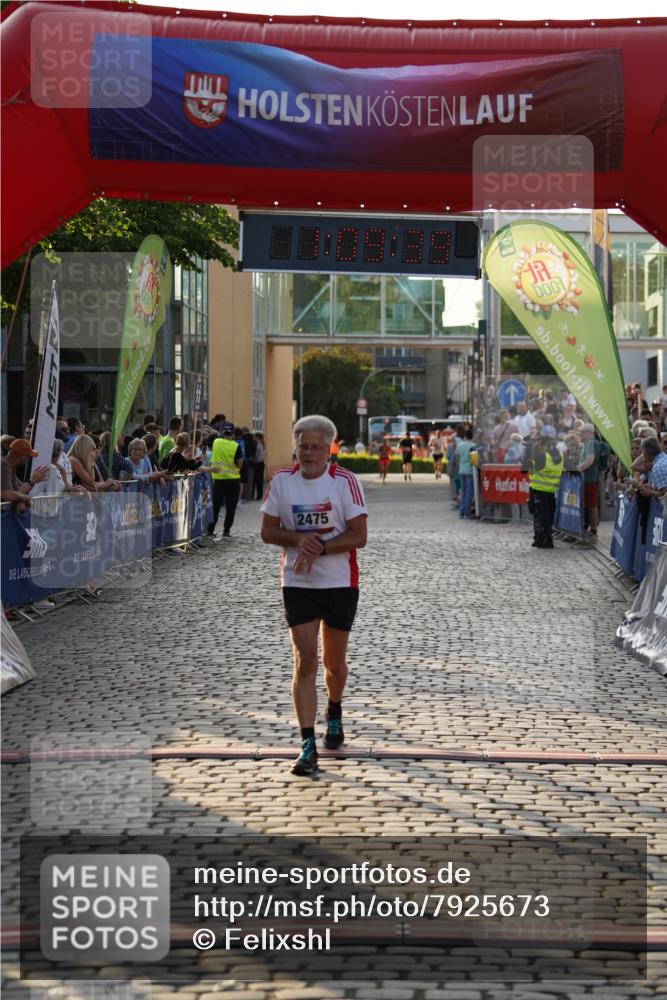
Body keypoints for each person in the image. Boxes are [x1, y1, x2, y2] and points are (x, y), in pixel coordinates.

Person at [260, 414, 367, 776]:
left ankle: (334, 708)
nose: (308, 453)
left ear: (329, 449)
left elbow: (359, 536)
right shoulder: (282, 481)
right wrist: (298, 540)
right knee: (304, 661)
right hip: (298, 582)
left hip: (338, 582)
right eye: (303, 446)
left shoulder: (345, 482)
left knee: (333, 665)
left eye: (316, 447)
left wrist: (320, 547)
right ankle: (307, 744)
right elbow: (268, 531)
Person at [527, 425, 563, 548]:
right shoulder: (559, 456)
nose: (536, 444)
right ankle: (546, 538)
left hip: (538, 489)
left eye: (538, 442)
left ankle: (541, 539)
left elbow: (527, 468)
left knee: (540, 516)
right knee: (548, 516)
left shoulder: (540, 457)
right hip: (551, 490)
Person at [208, 423, 243, 537]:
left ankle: (210, 529)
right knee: (231, 507)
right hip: (233, 481)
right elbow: (240, 464)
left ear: (223, 434)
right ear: (233, 434)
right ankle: (226, 530)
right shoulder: (236, 446)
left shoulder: (216, 442)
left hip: (219, 480)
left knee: (215, 506)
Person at [1, 438, 50, 511]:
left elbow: (17, 492)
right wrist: (26, 498)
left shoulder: (11, 467)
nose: (29, 459)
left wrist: (33, 481)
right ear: (23, 457)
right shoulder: (4, 465)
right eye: (28, 456)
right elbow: (7, 495)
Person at [577, 423, 600, 543]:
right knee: (589, 505)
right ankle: (590, 530)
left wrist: (577, 469)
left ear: (590, 433)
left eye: (583, 432)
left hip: (590, 479)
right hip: (587, 479)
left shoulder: (591, 443)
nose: (581, 434)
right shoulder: (587, 444)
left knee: (592, 506)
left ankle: (594, 531)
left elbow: (590, 460)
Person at [456, 427, 477, 518]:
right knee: (469, 492)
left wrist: (460, 466)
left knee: (463, 492)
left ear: (465, 436)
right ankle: (466, 512)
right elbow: (474, 461)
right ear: (472, 436)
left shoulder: (460, 445)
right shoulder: (473, 446)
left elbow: (457, 458)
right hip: (470, 471)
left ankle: (462, 510)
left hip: (461, 470)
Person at [253, 433, 266, 500]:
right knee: (260, 480)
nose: (254, 438)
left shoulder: (258, 445)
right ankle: (260, 495)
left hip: (258, 463)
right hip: (262, 463)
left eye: (255, 437)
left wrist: (253, 460)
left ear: (258, 438)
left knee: (258, 480)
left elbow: (256, 455)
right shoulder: (263, 445)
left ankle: (258, 496)